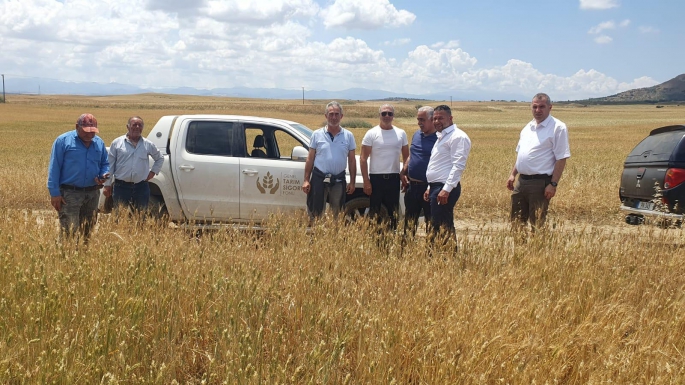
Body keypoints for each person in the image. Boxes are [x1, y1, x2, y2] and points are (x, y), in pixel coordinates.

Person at [506, 93, 571, 229]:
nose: (537, 110)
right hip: (521, 182)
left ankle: (536, 249)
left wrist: (553, 184)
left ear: (550, 107)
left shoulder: (558, 127)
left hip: (540, 184)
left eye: (542, 107)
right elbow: (521, 154)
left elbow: (561, 158)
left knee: (537, 225)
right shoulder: (527, 127)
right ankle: (519, 249)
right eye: (534, 107)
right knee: (516, 223)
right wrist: (513, 174)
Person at [47, 113, 110, 240]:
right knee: (69, 231)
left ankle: (82, 256)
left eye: (93, 132)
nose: (90, 134)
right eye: (86, 131)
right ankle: (66, 257)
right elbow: (55, 167)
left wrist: (103, 175)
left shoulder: (99, 142)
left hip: (93, 193)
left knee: (87, 230)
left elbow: (105, 163)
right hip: (70, 193)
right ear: (77, 127)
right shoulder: (63, 141)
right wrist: (54, 193)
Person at [423, 105, 471, 243]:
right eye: (435, 118)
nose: (437, 121)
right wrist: (429, 187)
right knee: (440, 224)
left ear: (450, 118)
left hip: (444, 188)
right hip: (436, 187)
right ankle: (441, 257)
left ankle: (444, 257)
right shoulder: (442, 137)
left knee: (442, 226)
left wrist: (446, 190)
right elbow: (439, 165)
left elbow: (458, 165)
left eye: (441, 118)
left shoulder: (458, 137)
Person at [302, 101, 357, 219]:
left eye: (337, 114)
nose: (334, 117)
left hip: (338, 179)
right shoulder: (317, 134)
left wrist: (352, 182)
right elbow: (310, 158)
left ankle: (334, 234)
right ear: (326, 116)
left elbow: (352, 160)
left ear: (341, 116)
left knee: (337, 212)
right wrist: (306, 180)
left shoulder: (348, 136)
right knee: (315, 212)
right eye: (331, 114)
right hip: (319, 178)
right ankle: (315, 234)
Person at [360, 104, 409, 230]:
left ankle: (390, 239)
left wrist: (404, 174)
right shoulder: (371, 133)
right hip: (376, 178)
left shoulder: (401, 133)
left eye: (390, 113)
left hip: (393, 178)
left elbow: (407, 157)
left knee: (393, 212)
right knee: (375, 211)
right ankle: (374, 238)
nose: (387, 116)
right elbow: (363, 158)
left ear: (393, 116)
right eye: (384, 113)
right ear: (379, 115)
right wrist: (366, 181)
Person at [103, 116, 164, 213]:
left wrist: (153, 172)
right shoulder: (117, 143)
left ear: (142, 128)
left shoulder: (148, 144)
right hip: (121, 187)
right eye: (134, 125)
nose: (137, 127)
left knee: (141, 217)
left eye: (140, 125)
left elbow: (160, 158)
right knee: (120, 216)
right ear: (128, 127)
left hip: (141, 187)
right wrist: (107, 185)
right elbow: (110, 165)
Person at [400, 106, 437, 235]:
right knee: (409, 222)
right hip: (412, 186)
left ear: (432, 120)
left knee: (431, 222)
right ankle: (405, 251)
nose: (419, 123)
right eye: (418, 119)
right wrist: (403, 171)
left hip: (429, 188)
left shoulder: (440, 138)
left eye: (422, 120)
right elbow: (411, 155)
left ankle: (430, 253)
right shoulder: (416, 135)